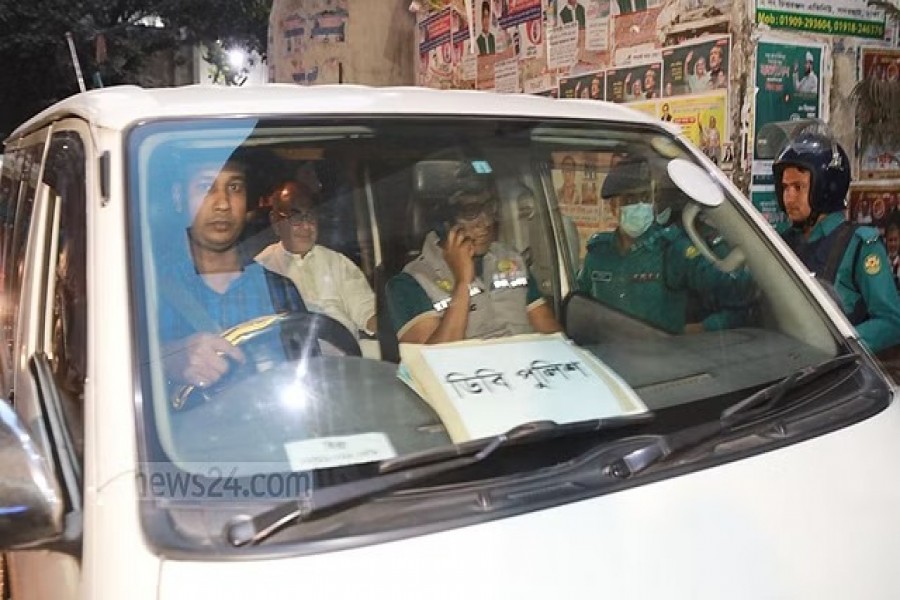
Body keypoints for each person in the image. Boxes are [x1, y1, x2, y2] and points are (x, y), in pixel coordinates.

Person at [158, 150, 309, 391]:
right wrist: (166, 360)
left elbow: (310, 380)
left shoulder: (278, 289)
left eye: (235, 188)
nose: (223, 204)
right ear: (178, 198)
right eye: (206, 186)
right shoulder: (148, 292)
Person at [576, 159, 756, 334]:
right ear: (613, 207)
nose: (640, 206)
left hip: (661, 352)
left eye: (645, 198)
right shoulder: (598, 254)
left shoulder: (672, 249)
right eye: (630, 200)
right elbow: (578, 310)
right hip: (606, 350)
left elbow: (739, 297)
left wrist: (699, 330)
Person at [386, 166, 563, 344]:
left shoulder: (511, 259)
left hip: (527, 359)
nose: (486, 222)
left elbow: (551, 334)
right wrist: (462, 283)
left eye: (490, 208)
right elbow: (433, 357)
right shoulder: (410, 283)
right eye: (471, 212)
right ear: (444, 221)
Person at [773, 131, 900, 354]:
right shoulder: (781, 242)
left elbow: (891, 322)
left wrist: (839, 346)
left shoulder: (859, 245)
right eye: (785, 187)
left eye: (798, 187)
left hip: (835, 370)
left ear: (824, 189)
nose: (789, 198)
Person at [255, 180, 377, 339]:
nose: (306, 226)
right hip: (294, 350)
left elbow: (366, 310)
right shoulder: (261, 268)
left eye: (310, 216)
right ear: (276, 222)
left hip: (344, 349)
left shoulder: (338, 263)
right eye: (296, 217)